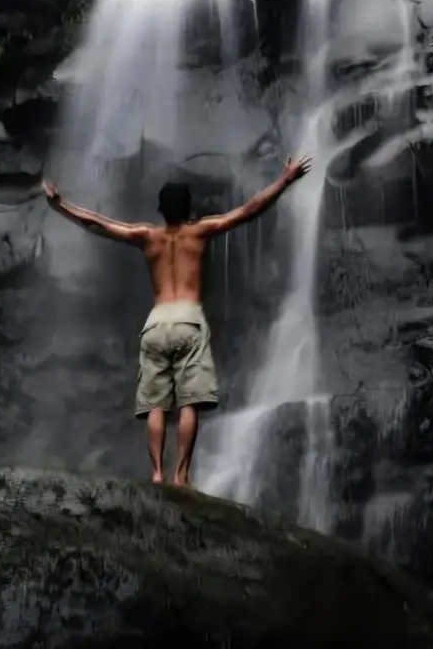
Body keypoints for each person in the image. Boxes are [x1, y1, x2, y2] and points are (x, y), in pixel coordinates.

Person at [41, 156, 312, 487]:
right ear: (188, 209)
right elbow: (247, 210)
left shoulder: (147, 236)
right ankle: (181, 475)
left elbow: (100, 223)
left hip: (157, 322)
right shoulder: (200, 232)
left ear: (160, 208)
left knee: (155, 404)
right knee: (189, 402)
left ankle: (156, 473)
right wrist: (284, 181)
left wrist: (60, 205)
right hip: (189, 320)